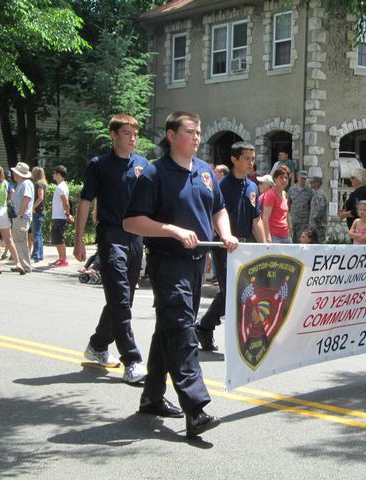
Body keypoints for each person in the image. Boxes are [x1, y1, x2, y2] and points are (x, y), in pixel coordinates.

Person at [123, 111, 238, 438]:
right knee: (182, 329)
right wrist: (171, 229)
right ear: (172, 135)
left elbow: (218, 208)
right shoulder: (154, 174)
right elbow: (132, 222)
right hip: (167, 262)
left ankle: (152, 397)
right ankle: (196, 407)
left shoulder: (205, 172)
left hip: (196, 264)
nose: (198, 137)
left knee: (169, 328)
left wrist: (225, 233)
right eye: (191, 132)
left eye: (200, 132)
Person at [73, 114, 149, 383]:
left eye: (135, 133)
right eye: (127, 133)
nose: (133, 138)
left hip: (135, 237)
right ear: (114, 135)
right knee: (119, 297)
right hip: (111, 236)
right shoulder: (100, 165)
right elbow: (85, 201)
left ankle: (97, 345)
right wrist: (79, 239)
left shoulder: (142, 165)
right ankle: (132, 360)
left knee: (123, 298)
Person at [195, 141, 265, 351]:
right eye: (246, 158)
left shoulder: (252, 186)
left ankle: (204, 327)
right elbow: (212, 216)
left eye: (253, 159)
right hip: (224, 247)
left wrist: (265, 246)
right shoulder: (222, 186)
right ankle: (238, 340)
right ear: (234, 159)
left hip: (246, 247)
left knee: (233, 292)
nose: (251, 163)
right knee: (234, 292)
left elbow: (256, 219)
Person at [0, 164, 22, 274]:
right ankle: (17, 263)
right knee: (9, 239)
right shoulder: (6, 184)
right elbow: (12, 195)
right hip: (3, 211)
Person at [10, 162, 34, 274]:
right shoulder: (22, 184)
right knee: (18, 241)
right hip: (19, 217)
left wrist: (20, 213)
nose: (14, 174)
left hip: (21, 217)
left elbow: (27, 198)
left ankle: (26, 266)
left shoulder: (26, 183)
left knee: (21, 241)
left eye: (15, 172)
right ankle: (20, 264)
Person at [50, 165, 73, 266]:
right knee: (57, 238)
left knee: (59, 238)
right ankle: (60, 258)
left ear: (58, 174)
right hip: (57, 216)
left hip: (59, 217)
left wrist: (68, 214)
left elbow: (66, 203)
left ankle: (64, 260)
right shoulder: (62, 186)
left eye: (54, 173)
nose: (53, 175)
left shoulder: (61, 187)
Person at [262, 166, 292, 243]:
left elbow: (286, 215)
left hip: (286, 235)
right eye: (281, 177)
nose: (284, 180)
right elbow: (265, 218)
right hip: (274, 237)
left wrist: (290, 232)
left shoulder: (285, 194)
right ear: (275, 179)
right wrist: (268, 237)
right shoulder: (271, 194)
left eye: (286, 178)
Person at [288, 170, 313, 243]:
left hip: (304, 221)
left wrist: (310, 222)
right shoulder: (292, 189)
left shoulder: (309, 191)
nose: (303, 180)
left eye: (304, 179)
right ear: (297, 178)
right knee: (291, 240)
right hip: (293, 220)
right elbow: (288, 203)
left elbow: (311, 207)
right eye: (301, 178)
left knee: (301, 241)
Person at [30, 167, 47, 262]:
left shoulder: (39, 184)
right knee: (38, 234)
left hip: (37, 211)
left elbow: (40, 197)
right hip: (39, 211)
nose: (31, 173)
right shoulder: (41, 183)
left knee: (36, 234)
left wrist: (33, 207)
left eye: (33, 172)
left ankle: (36, 255)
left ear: (36, 173)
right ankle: (39, 255)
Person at [308, 175, 327, 244]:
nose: (310, 183)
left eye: (312, 182)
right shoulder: (315, 193)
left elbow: (317, 211)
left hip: (318, 227)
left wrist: (312, 226)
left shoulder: (319, 195)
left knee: (319, 246)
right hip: (315, 227)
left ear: (318, 183)